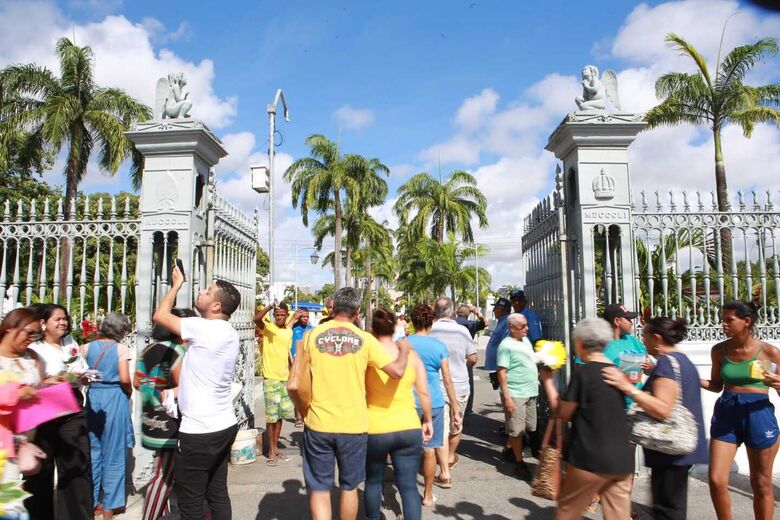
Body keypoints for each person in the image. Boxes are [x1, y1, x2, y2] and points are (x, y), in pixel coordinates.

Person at [297, 287, 411, 520]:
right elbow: (397, 371)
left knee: (319, 487)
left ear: (333, 307)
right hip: (354, 426)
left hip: (318, 422)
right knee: (349, 486)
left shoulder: (312, 335)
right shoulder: (365, 339)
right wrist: (405, 349)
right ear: (357, 312)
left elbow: (297, 378)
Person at [153, 267, 242, 520]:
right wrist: (176, 391)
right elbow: (205, 377)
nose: (201, 291)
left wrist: (176, 285)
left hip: (199, 433)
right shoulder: (229, 333)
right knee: (217, 493)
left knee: (190, 502)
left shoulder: (203, 328)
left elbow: (160, 315)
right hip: (223, 425)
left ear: (215, 306)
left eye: (207, 290)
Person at [603, 317, 707, 520]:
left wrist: (627, 388)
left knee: (667, 511)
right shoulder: (680, 360)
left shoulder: (667, 365)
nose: (643, 341)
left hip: (670, 450)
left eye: (645, 336)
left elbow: (663, 409)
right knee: (672, 508)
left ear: (657, 338)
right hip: (679, 449)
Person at [541, 318, 634, 520]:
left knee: (567, 511)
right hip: (622, 459)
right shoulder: (617, 372)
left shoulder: (584, 373)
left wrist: (548, 381)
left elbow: (562, 412)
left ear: (581, 344)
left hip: (590, 457)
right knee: (618, 516)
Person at [701, 300, 780, 520]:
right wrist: (693, 379)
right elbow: (716, 385)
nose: (722, 324)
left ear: (746, 321)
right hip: (727, 412)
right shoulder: (719, 350)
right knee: (716, 479)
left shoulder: (769, 352)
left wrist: (777, 383)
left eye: (728, 320)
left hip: (758, 414)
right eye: (722, 319)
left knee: (761, 481)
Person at [26, 303, 93, 520]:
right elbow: (40, 381)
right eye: (57, 319)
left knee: (76, 466)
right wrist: (66, 378)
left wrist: (79, 376)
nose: (63, 322)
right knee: (42, 470)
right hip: (45, 409)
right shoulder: (35, 350)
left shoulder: (69, 343)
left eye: (64, 318)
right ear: (44, 323)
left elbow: (77, 369)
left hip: (72, 407)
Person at [364, 309, 433, 520]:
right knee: (408, 486)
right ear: (395, 327)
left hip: (375, 426)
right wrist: (428, 420)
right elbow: (423, 391)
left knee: (373, 481)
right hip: (408, 425)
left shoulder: (368, 356)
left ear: (372, 329)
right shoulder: (410, 355)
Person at [134, 307, 195, 520]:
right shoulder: (177, 352)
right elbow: (183, 387)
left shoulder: (148, 349)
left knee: (161, 468)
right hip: (169, 422)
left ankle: (163, 514)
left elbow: (137, 382)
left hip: (149, 419)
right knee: (164, 476)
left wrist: (153, 391)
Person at [406, 303, 461, 503]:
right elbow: (447, 380)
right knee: (429, 449)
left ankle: (408, 493)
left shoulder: (403, 343)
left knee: (407, 450)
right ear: (431, 322)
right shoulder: (439, 346)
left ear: (412, 321)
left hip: (408, 402)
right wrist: (455, 407)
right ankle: (427, 495)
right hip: (434, 402)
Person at [84, 312, 134, 519]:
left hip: (94, 397)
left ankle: (92, 502)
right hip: (114, 398)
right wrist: (129, 390)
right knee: (113, 452)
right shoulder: (120, 348)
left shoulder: (85, 348)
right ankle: (110, 506)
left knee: (94, 452)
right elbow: (124, 378)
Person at [0, 308, 45, 519]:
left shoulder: (31, 358)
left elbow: (40, 389)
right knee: (11, 509)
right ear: (11, 327)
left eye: (37, 335)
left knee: (13, 504)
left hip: (21, 444)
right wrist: (16, 393)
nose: (32, 339)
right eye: (29, 332)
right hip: (3, 445)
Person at [430, 297, 475, 473]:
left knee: (441, 425)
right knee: (457, 423)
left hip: (436, 384)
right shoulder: (462, 331)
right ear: (453, 312)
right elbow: (472, 358)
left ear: (435, 312)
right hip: (460, 384)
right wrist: (462, 363)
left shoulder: (430, 330)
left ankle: (440, 460)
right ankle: (449, 457)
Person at [496, 313, 538, 480]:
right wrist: (507, 397)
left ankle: (508, 449)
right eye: (522, 326)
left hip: (530, 391)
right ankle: (519, 463)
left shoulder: (525, 340)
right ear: (512, 328)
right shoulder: (506, 346)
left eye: (526, 325)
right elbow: (501, 372)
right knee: (517, 430)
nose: (526, 328)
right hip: (516, 393)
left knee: (529, 426)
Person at [254, 303, 297, 464]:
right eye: (277, 315)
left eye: (282, 315)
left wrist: (293, 370)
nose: (279, 317)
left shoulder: (288, 332)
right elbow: (256, 319)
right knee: (271, 417)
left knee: (281, 416)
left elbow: (286, 353)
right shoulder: (268, 328)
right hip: (271, 378)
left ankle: (275, 446)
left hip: (284, 378)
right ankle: (271, 450)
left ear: (287, 315)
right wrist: (269, 307)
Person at [603, 303, 648, 406]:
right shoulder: (599, 344)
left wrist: (648, 366)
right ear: (617, 321)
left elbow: (649, 368)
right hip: (613, 404)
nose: (632, 323)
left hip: (636, 404)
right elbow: (583, 369)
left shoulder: (633, 341)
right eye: (628, 319)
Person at [455, 304, 485, 416]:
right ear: (468, 314)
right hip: (467, 356)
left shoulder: (452, 322)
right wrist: (477, 312)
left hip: (452, 355)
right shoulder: (471, 324)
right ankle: (467, 409)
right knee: (468, 383)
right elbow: (485, 323)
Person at [290, 308, 313, 428]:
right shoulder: (293, 328)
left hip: (308, 362)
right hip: (295, 362)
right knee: (297, 390)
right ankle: (298, 417)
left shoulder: (311, 329)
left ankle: (306, 415)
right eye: (303, 316)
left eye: (307, 316)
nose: (305, 318)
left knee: (307, 389)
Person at [484, 297, 511, 381]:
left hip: (502, 367)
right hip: (496, 366)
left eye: (496, 308)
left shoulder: (507, 322)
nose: (493, 310)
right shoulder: (501, 322)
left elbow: (506, 344)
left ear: (504, 310)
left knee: (505, 391)